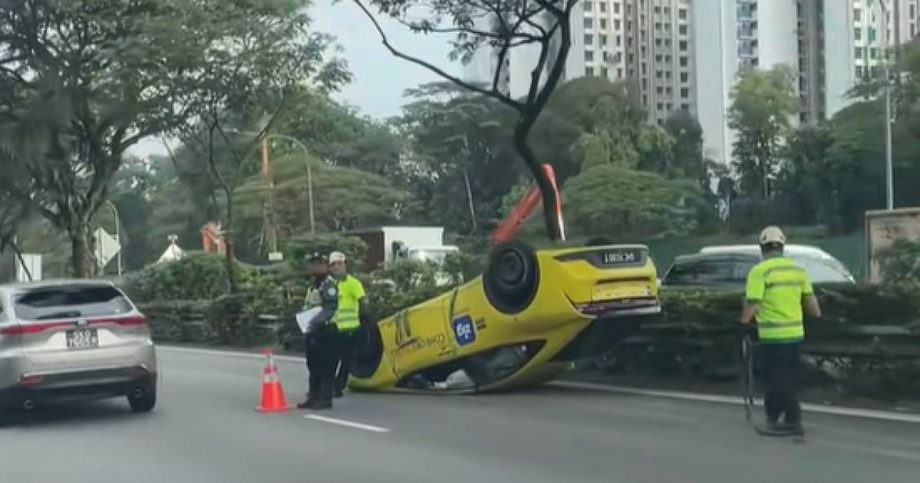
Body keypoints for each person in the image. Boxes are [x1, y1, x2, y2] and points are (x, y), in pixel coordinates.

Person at [740, 226, 822, 436]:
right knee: (782, 378)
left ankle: (793, 420)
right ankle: (773, 416)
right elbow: (812, 305)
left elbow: (753, 303)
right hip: (795, 335)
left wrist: (742, 324)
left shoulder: (760, 271)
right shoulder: (798, 271)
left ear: (762, 248)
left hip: (772, 336)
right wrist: (815, 317)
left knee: (777, 380)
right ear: (783, 247)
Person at [297, 253, 339, 410]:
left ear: (326, 266)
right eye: (313, 264)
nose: (315, 268)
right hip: (312, 329)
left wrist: (316, 321)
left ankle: (325, 398)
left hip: (326, 330)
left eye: (319, 264)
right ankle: (313, 396)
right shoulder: (314, 285)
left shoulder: (328, 285)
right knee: (313, 365)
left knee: (325, 366)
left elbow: (330, 307)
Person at [328, 251, 370, 398]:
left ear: (345, 265)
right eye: (334, 265)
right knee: (331, 360)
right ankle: (329, 385)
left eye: (340, 264)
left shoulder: (353, 283)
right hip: (333, 329)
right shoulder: (329, 284)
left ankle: (338, 386)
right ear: (330, 268)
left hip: (350, 330)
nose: (337, 267)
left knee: (346, 361)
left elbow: (363, 301)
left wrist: (365, 320)